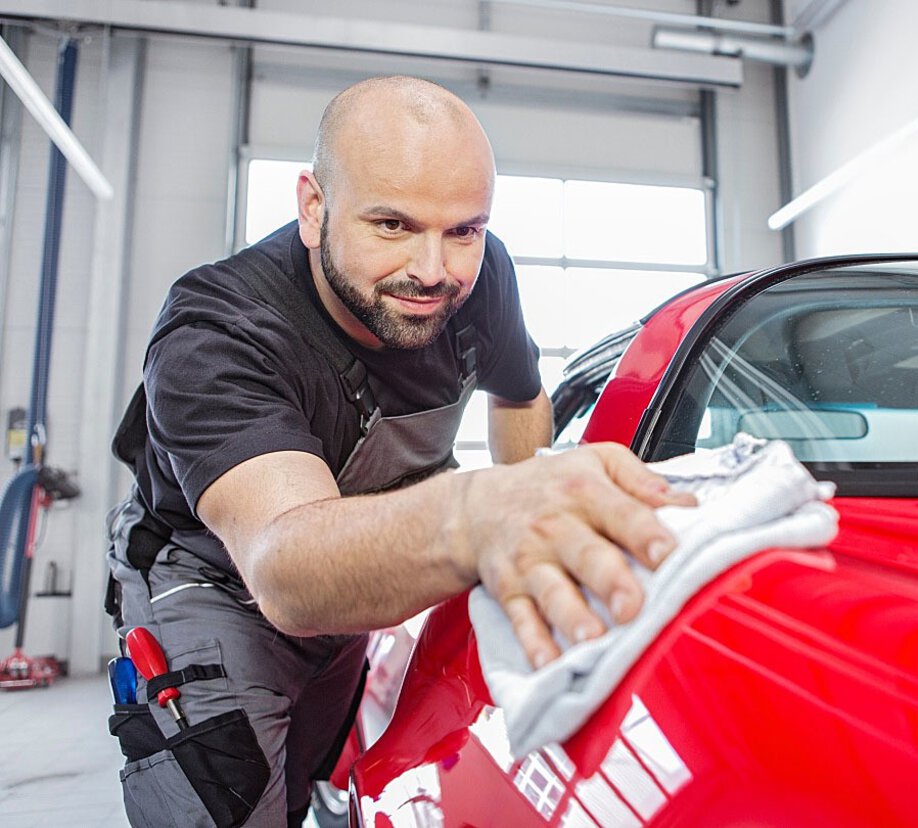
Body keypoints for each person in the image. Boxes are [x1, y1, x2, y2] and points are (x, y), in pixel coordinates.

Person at [105, 75, 694, 827]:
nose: (432, 270)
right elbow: (287, 572)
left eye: (464, 230)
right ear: (314, 208)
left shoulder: (477, 277)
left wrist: (521, 529)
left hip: (349, 583)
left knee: (316, 781)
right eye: (391, 224)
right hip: (219, 582)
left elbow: (519, 396)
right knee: (236, 799)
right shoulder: (218, 331)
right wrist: (485, 516)